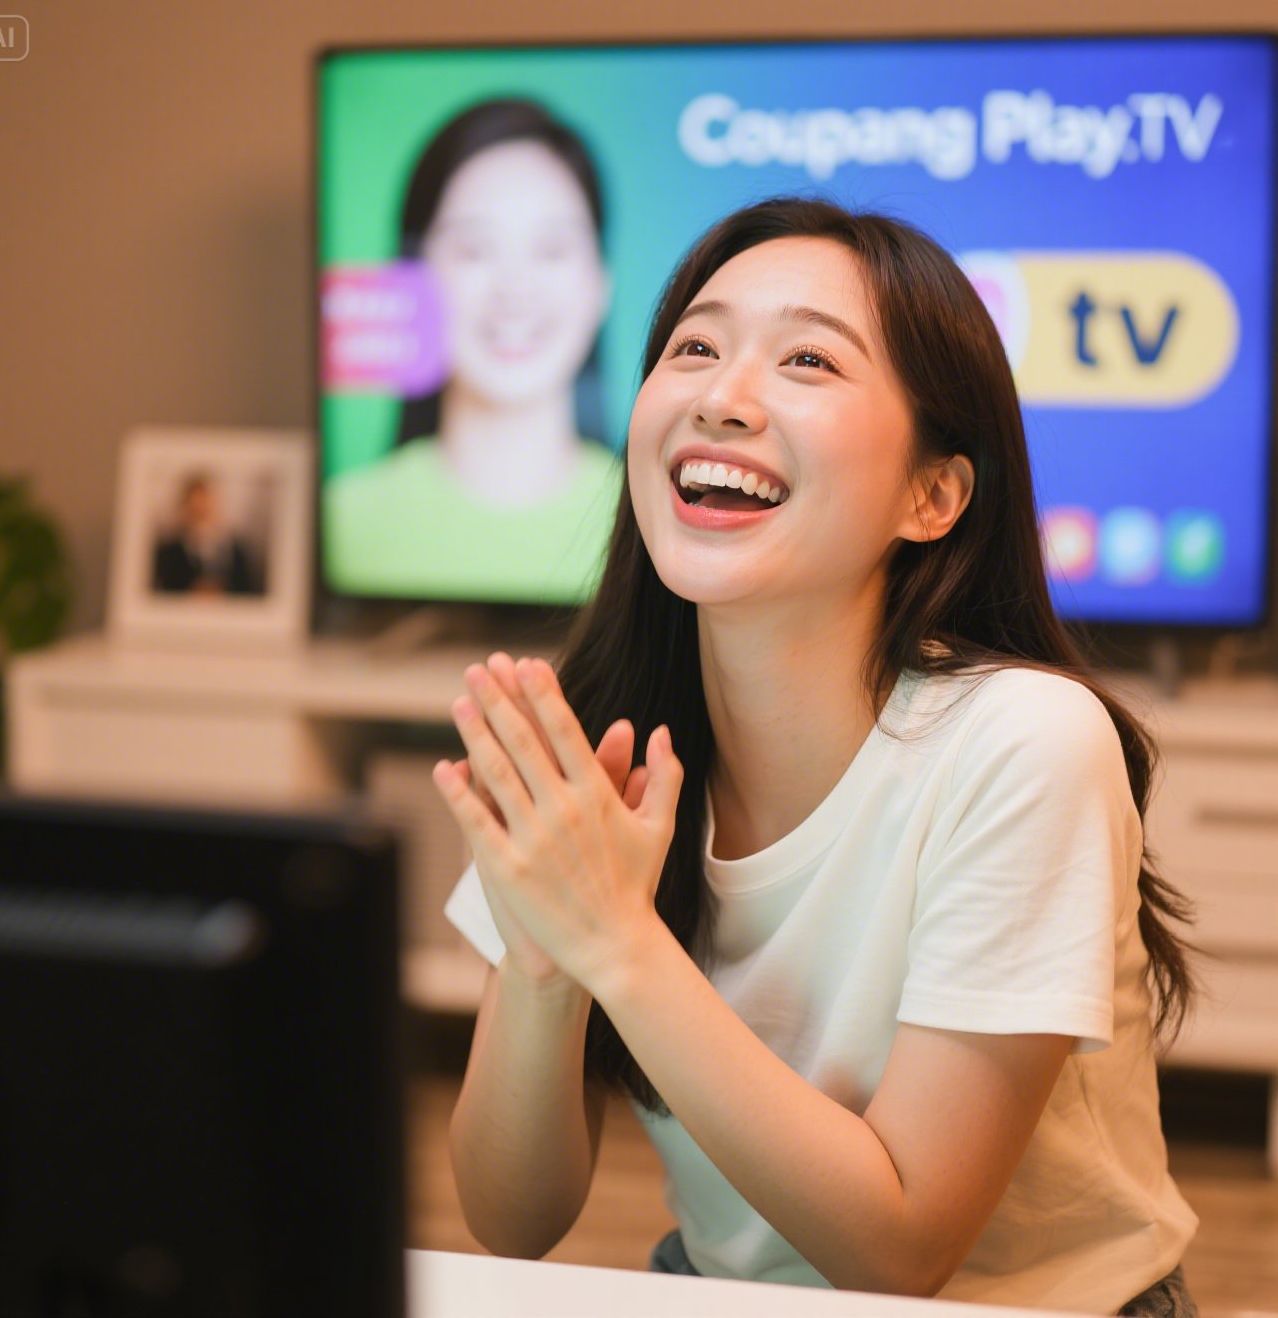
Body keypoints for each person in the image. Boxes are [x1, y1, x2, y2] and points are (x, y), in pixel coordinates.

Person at [432, 198, 1200, 1314]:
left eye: (807, 360)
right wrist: (545, 965)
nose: (721, 397)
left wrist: (613, 937)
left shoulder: (1025, 741)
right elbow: (511, 1220)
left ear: (932, 495)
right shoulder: (595, 736)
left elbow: (900, 1256)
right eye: (694, 348)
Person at [324, 99, 622, 603]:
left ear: (600, 283)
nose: (515, 288)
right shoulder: (344, 518)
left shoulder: (655, 524)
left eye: (551, 249)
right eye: (474, 250)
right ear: (412, 280)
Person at [151, 473, 263, 597]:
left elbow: (249, 592)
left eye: (205, 508)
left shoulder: (237, 551)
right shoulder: (168, 552)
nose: (201, 513)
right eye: (196, 510)